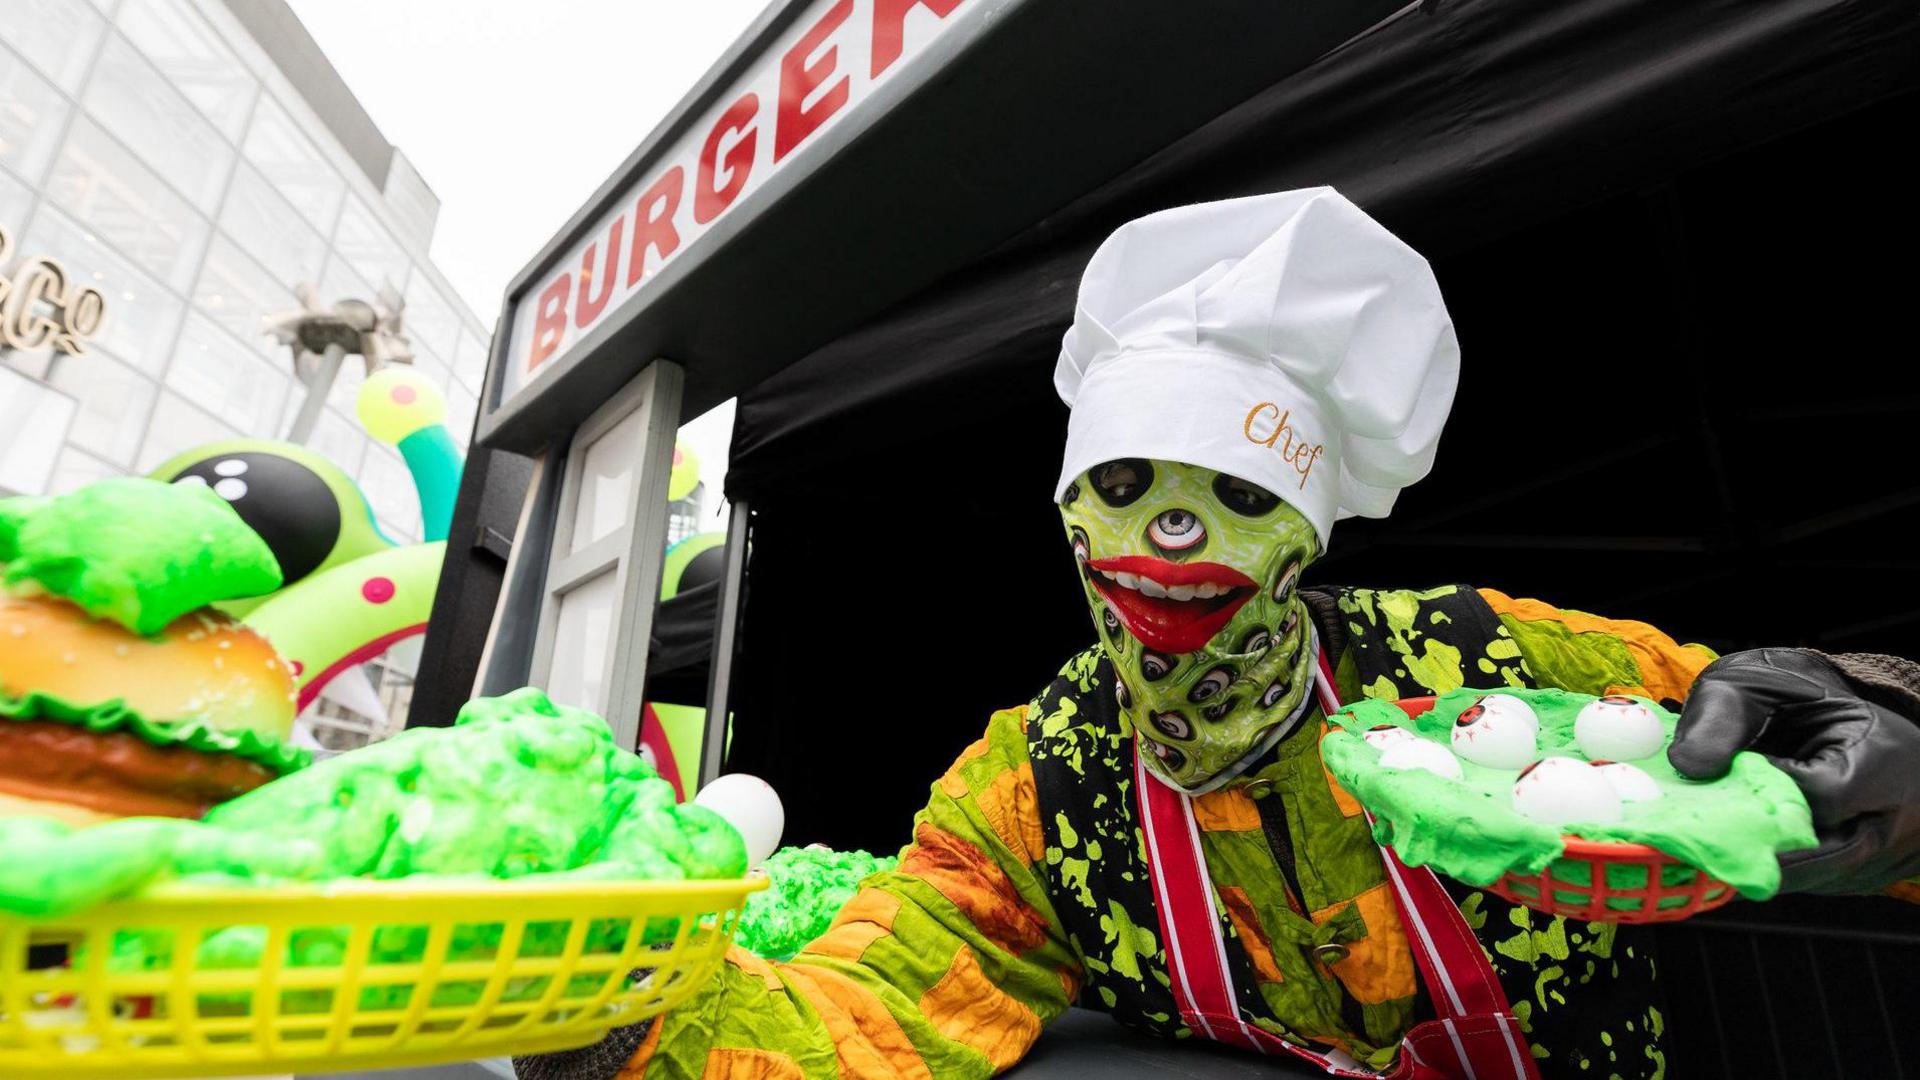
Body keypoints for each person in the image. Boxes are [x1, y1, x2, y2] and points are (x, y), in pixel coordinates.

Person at [518, 189, 1920, 1080]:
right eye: (1123, 492)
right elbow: (878, 1001)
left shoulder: (1484, 662)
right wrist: (607, 1018)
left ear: (1307, 530)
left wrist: (1899, 752)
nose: (1166, 547)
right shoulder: (1036, 789)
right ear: (1071, 518)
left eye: (1233, 499)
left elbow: (1783, 776)